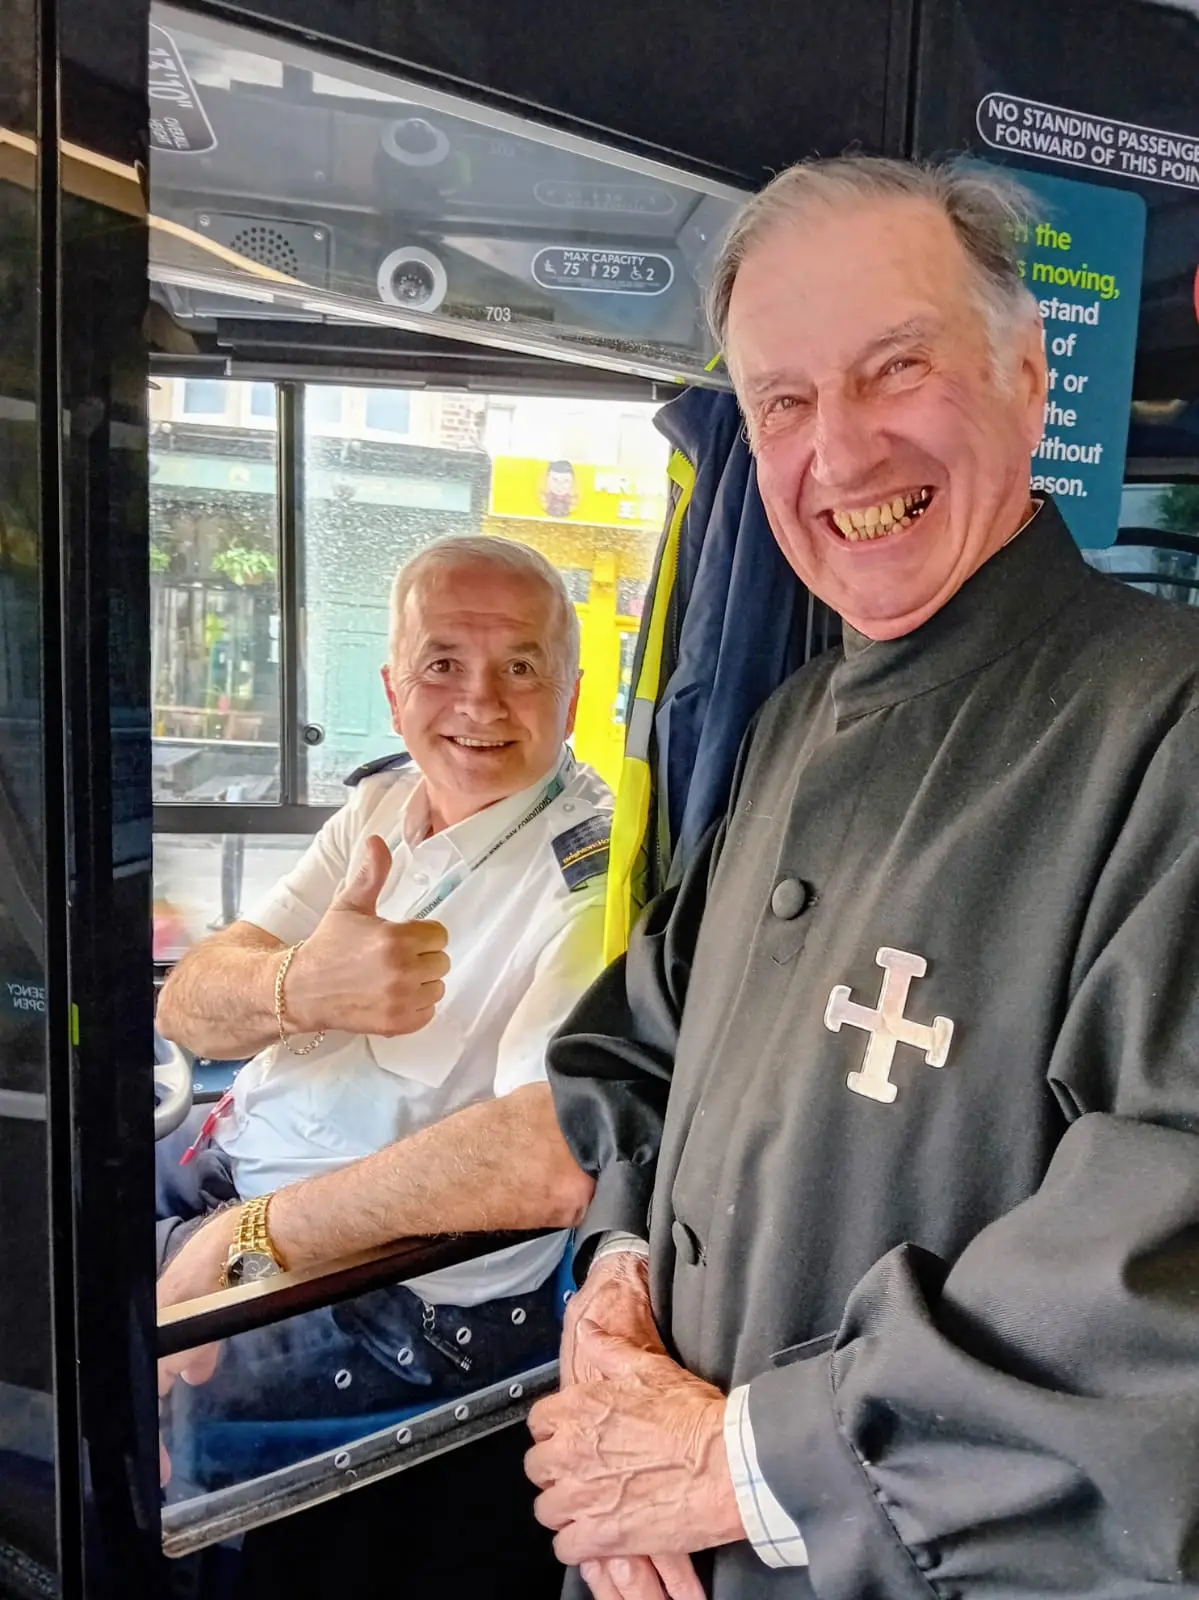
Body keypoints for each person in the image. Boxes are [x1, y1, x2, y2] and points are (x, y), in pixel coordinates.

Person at [524, 156, 1199, 1600]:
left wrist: (740, 1464)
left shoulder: (1169, 728)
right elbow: (638, 1051)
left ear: (1027, 380)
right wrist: (614, 1289)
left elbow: (1168, 1261)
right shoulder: (786, 726)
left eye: (894, 368)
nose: (836, 452)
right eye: (780, 401)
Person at [154, 534, 609, 1486]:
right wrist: (296, 988)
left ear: (569, 697)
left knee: (103, 1395)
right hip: (232, 1170)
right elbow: (188, 1006)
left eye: (519, 667)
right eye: (442, 665)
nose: (479, 703)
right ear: (394, 691)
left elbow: (547, 1155)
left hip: (395, 1303)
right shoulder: (381, 808)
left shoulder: (588, 875)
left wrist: (245, 1241)